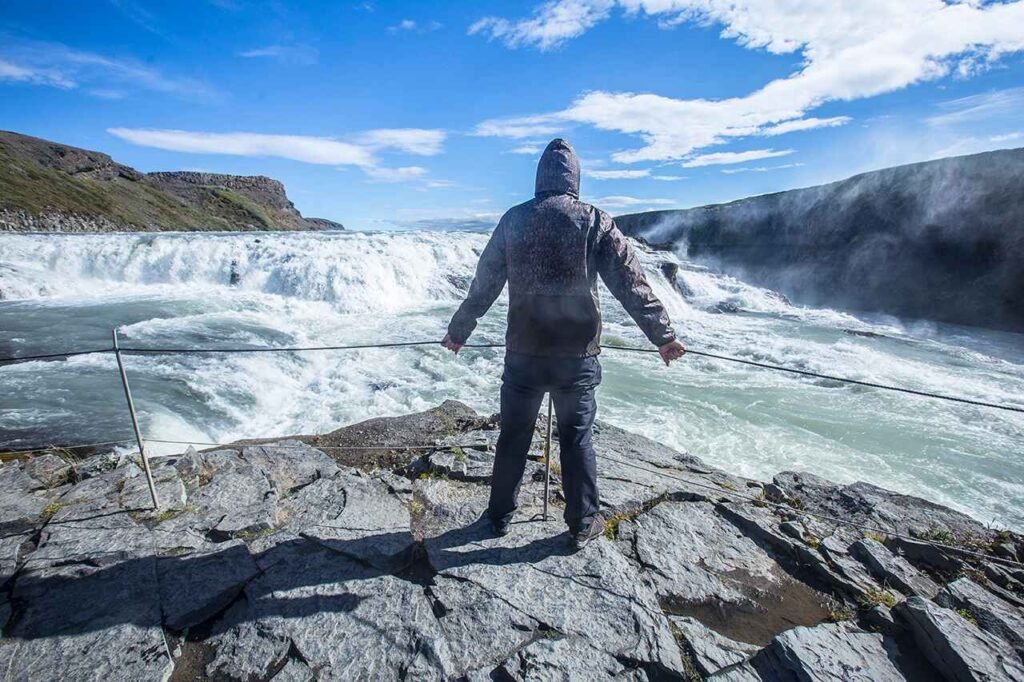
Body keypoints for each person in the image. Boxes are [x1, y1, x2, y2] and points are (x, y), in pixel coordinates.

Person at [441, 138, 686, 550]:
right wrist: (662, 336)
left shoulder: (513, 220)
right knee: (576, 440)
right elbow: (630, 282)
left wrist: (459, 330)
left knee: (513, 436)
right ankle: (581, 524)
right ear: (575, 178)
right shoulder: (595, 220)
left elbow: (485, 282)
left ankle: (499, 516)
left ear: (539, 177)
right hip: (577, 357)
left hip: (524, 353)